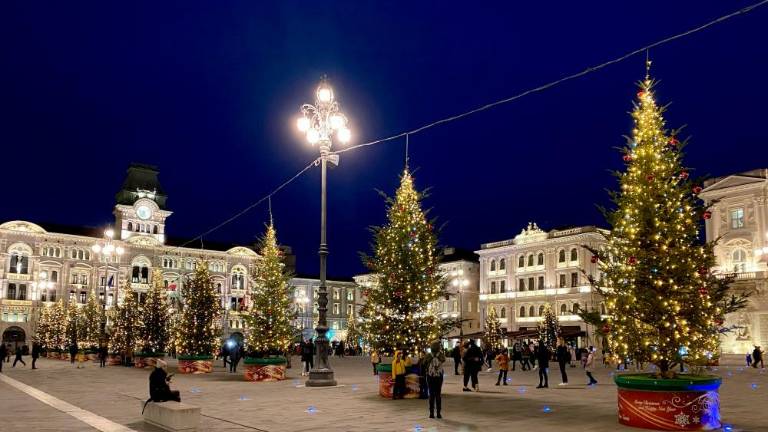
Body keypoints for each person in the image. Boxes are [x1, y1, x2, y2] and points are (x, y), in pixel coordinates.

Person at [422, 340, 445, 419]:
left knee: (431, 394)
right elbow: (443, 360)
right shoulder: (441, 355)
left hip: (430, 376)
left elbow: (424, 363)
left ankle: (431, 413)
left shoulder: (428, 355)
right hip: (439, 377)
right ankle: (438, 413)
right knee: (438, 394)